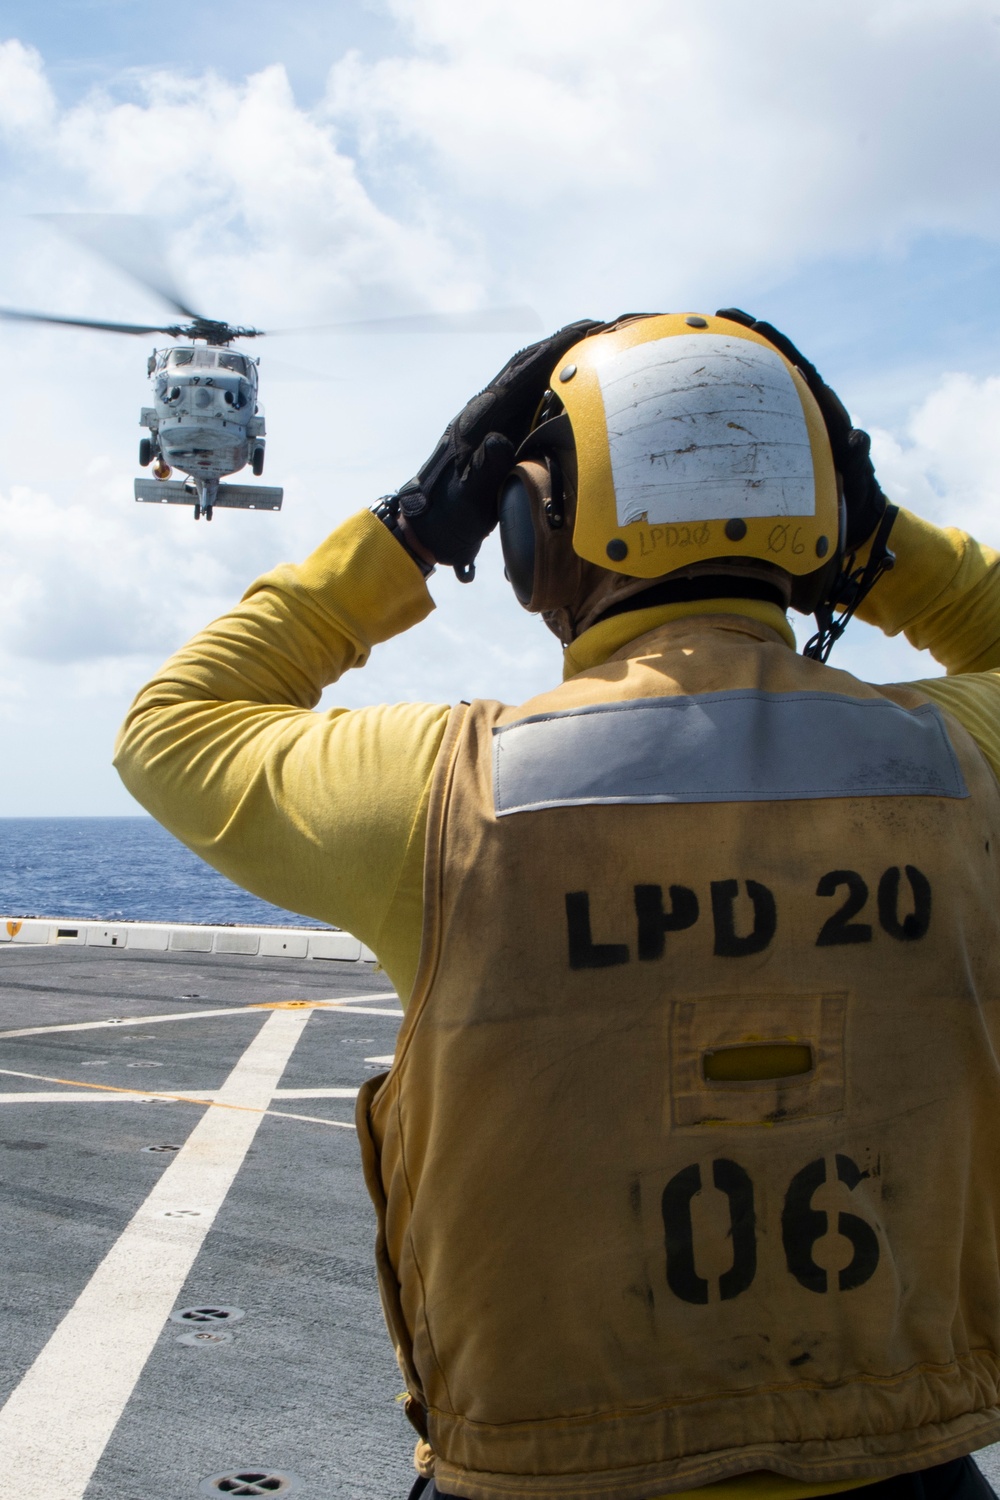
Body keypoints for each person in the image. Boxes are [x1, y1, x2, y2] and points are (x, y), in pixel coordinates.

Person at [115, 312, 1000, 1500]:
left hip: (551, 1473)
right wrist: (888, 547)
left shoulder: (446, 788)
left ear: (532, 534)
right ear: (824, 532)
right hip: (895, 1461)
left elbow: (175, 726)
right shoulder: (960, 759)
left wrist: (411, 534)